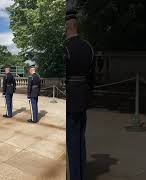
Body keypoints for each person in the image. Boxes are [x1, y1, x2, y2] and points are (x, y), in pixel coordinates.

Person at [64, 9, 96, 180]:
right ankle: (82, 175)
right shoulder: (88, 47)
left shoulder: (66, 48)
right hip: (83, 99)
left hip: (70, 101)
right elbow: (92, 79)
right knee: (80, 140)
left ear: (67, 27)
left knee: (72, 141)